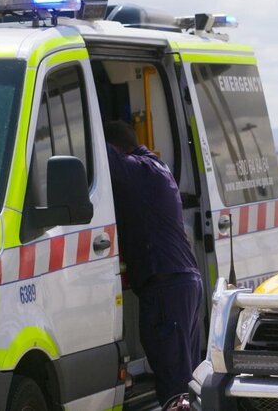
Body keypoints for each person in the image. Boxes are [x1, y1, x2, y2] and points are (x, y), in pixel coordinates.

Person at [104, 121, 203, 406]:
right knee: (184, 380)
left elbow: (99, 152)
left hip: (166, 288)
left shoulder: (140, 171)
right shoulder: (157, 167)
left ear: (117, 148)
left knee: (174, 383)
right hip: (179, 284)